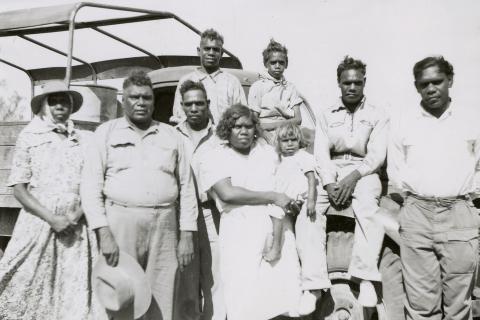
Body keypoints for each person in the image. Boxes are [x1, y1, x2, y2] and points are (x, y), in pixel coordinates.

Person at [81, 71, 198, 320]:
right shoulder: (106, 133)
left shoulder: (171, 135)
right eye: (134, 97)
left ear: (154, 102)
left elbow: (187, 187)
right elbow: (90, 186)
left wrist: (187, 234)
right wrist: (103, 233)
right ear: (123, 100)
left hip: (165, 224)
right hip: (120, 221)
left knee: (163, 297)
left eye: (147, 97)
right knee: (121, 295)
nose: (141, 103)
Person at [0, 81, 106, 320]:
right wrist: (52, 218)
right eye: (54, 100)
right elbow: (19, 188)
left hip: (76, 226)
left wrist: (75, 216)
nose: (60, 105)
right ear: (44, 106)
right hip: (39, 222)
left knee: (73, 290)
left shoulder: (85, 139)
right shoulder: (29, 136)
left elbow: (92, 183)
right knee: (25, 282)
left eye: (64, 100)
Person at [388, 56, 480, 320]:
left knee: (458, 306)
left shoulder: (471, 119)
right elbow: (396, 169)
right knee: (421, 307)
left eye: (437, 81)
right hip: (417, 212)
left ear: (450, 80)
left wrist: (467, 201)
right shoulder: (404, 121)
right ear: (416, 87)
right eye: (423, 84)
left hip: (460, 213)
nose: (431, 89)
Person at [197, 104, 303, 320]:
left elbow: (285, 186)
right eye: (237, 127)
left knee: (282, 297)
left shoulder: (268, 153)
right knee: (244, 299)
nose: (243, 131)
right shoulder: (215, 156)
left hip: (276, 227)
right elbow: (227, 194)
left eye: (248, 126)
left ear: (255, 128)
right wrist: (273, 196)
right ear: (227, 129)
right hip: (239, 230)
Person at [314, 56, 389, 307]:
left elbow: (377, 155)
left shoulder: (378, 114)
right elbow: (321, 153)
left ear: (364, 82)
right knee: (309, 209)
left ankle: (365, 276)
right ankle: (312, 281)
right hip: (332, 168)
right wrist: (328, 183)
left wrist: (353, 177)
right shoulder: (325, 114)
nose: (352, 87)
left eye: (357, 82)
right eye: (347, 83)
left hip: (364, 170)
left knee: (368, 207)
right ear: (339, 83)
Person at [174, 80, 225, 320]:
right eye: (189, 104)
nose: (194, 108)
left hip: (212, 213)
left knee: (215, 277)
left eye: (199, 103)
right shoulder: (171, 136)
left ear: (208, 104)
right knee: (186, 280)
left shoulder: (221, 138)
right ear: (182, 106)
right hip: (182, 218)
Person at [274, 123, 331, 315]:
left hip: (307, 199)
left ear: (299, 141)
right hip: (288, 205)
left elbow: (311, 180)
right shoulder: (278, 160)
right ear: (279, 143)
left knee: (306, 238)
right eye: (285, 141)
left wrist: (312, 201)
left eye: (293, 140)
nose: (289, 144)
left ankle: (313, 288)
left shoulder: (303, 157)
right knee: (286, 243)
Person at [171, 28, 246, 125]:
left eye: (215, 50)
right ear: (199, 51)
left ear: (221, 53)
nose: (211, 53)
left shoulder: (231, 82)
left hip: (223, 138)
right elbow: (179, 115)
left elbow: (242, 116)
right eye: (207, 49)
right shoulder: (186, 80)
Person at [248, 39, 304, 143]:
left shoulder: (291, 88)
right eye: (273, 62)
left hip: (287, 132)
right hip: (263, 134)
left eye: (281, 63)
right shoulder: (258, 86)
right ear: (266, 64)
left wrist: (272, 125)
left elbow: (298, 119)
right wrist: (265, 134)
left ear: (286, 64)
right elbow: (253, 120)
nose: (277, 66)